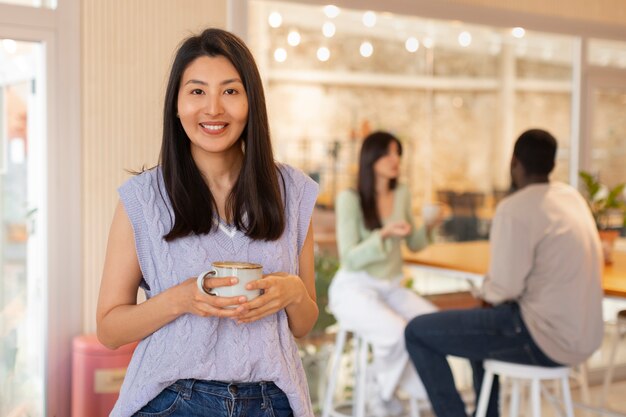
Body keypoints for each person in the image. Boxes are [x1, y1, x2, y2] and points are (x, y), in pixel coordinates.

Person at [96, 28, 319, 417]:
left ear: (251, 102)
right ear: (177, 104)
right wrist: (181, 299)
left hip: (271, 401)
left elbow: (304, 324)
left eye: (230, 91)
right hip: (171, 399)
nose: (213, 109)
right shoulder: (143, 198)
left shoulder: (293, 193)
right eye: (197, 91)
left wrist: (295, 292)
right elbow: (110, 329)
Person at [405, 128, 604, 417]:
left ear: (515, 163)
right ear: (552, 165)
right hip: (585, 337)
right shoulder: (570, 197)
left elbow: (503, 289)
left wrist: (485, 293)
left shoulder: (515, 208)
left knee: (417, 332)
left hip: (545, 340)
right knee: (479, 324)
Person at [328, 131, 439, 417]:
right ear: (371, 158)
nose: (395, 159)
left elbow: (414, 243)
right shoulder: (349, 199)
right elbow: (350, 258)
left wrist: (428, 226)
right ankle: (381, 394)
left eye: (397, 153)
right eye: (388, 153)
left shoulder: (401, 193)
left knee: (434, 326)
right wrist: (384, 235)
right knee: (397, 333)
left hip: (391, 287)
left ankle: (381, 388)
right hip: (354, 287)